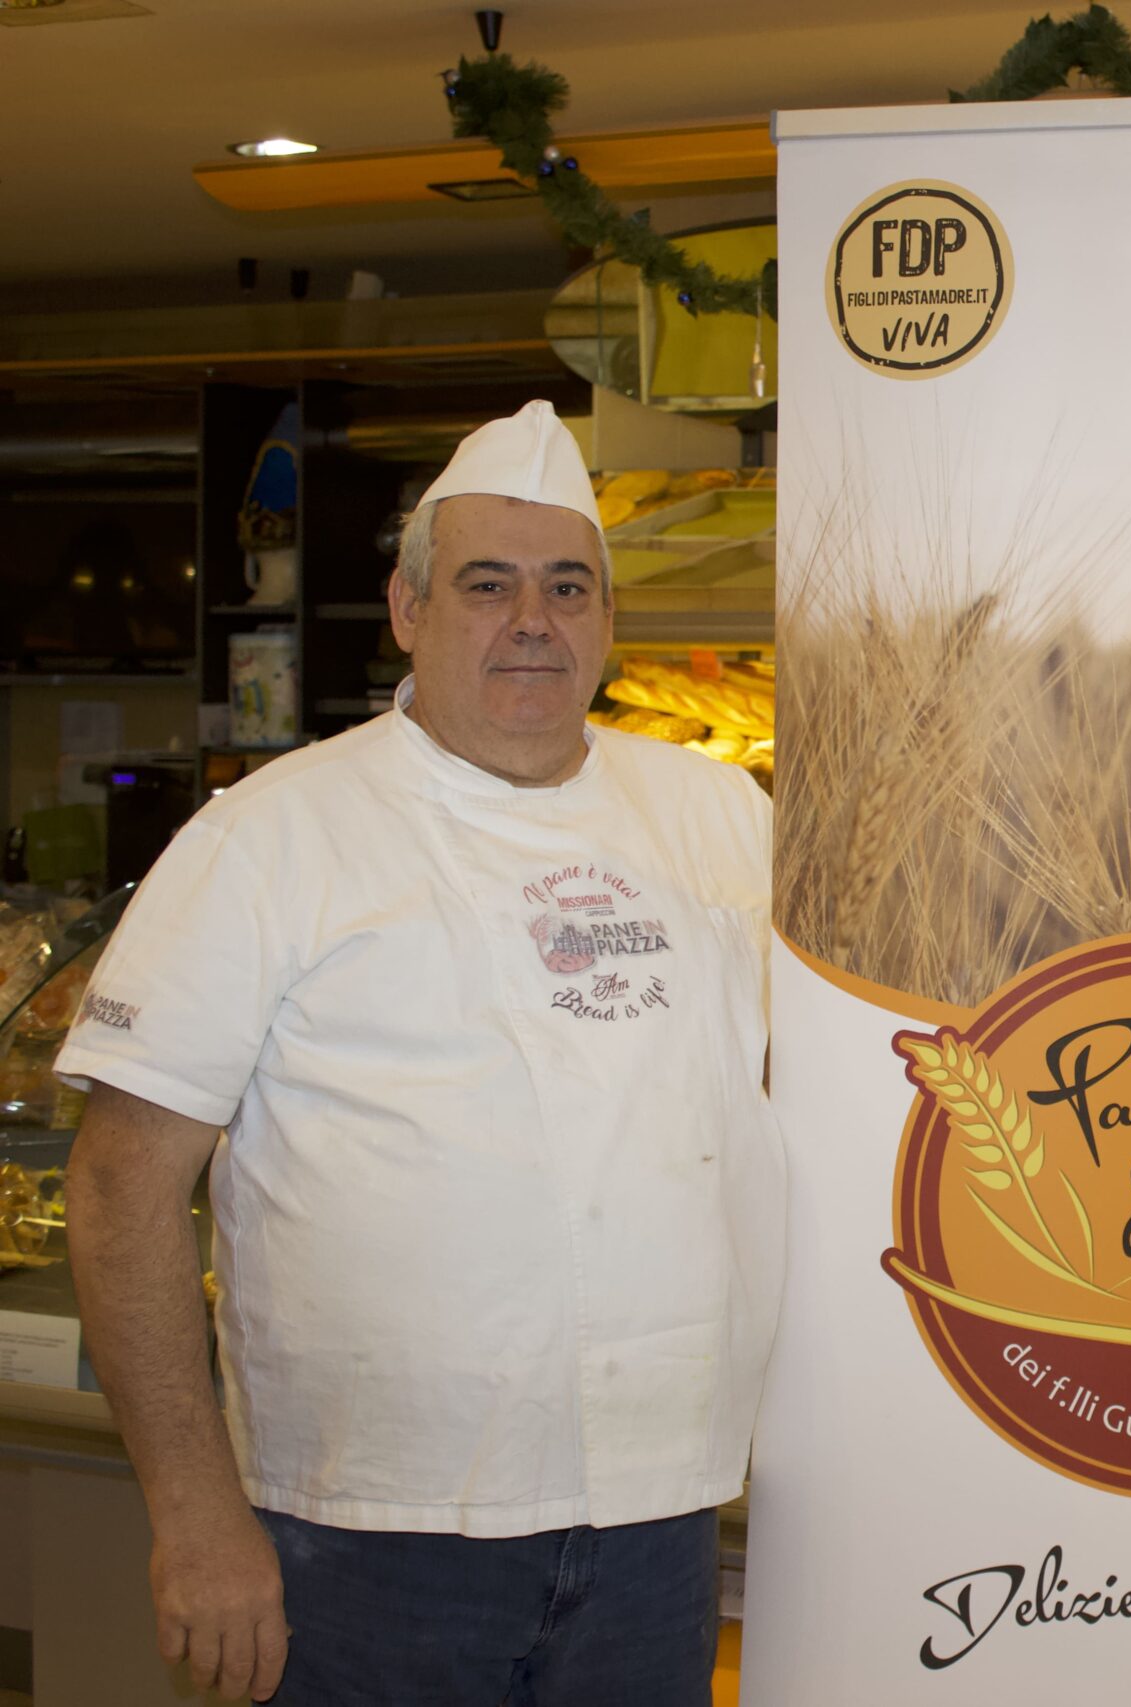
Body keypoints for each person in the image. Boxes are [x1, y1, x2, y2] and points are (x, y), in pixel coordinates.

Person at [59, 400, 784, 1706]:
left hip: (657, 1516)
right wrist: (196, 1512)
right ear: (407, 609)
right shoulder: (274, 835)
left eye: (570, 587)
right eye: (486, 585)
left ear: (610, 624)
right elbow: (118, 1185)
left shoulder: (718, 812)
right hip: (366, 1532)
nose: (533, 619)